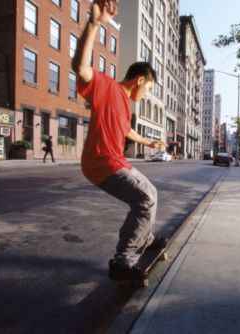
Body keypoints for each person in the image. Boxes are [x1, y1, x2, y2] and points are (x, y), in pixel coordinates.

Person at [73, 0, 166, 280]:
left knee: (150, 196)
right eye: (148, 89)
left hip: (113, 161)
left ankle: (145, 239)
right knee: (146, 199)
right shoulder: (106, 86)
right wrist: (94, 24)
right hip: (102, 163)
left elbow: (126, 131)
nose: (147, 95)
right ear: (139, 80)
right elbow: (80, 67)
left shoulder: (126, 105)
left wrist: (148, 143)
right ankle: (123, 261)